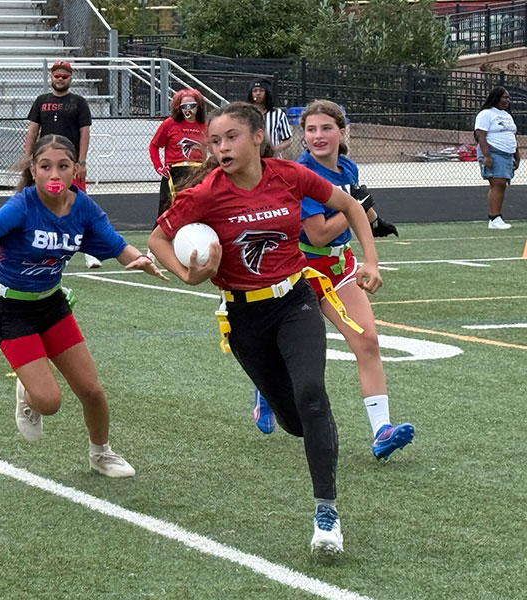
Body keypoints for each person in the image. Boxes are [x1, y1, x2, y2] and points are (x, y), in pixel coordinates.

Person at [148, 101, 383, 554]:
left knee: (312, 394)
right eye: (214, 141)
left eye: (231, 137)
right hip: (244, 318)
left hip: (296, 301)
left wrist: (370, 261)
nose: (221, 148)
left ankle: (327, 514)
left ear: (258, 137)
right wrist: (188, 275)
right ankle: (293, 412)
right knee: (296, 421)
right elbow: (158, 239)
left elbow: (350, 206)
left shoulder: (290, 176)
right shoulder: (205, 194)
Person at [0, 134, 167, 477]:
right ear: (33, 169)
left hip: (51, 304)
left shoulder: (83, 207)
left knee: (91, 389)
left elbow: (116, 245)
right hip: (10, 309)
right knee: (49, 402)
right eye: (45, 166)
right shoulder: (21, 206)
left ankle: (101, 454)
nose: (54, 174)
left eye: (63, 166)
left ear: (76, 170)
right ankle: (29, 393)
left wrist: (140, 260)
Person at [251, 100, 413, 461]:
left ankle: (382, 431)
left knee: (367, 341)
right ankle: (266, 389)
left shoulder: (347, 166)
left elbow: (356, 205)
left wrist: (372, 223)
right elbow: (319, 233)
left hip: (340, 268)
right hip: (302, 272)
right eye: (311, 129)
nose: (318, 135)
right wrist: (356, 205)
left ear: (342, 132)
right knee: (292, 354)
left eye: (326, 128)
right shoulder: (301, 173)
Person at [25, 60, 101, 269]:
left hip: (70, 165)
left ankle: (90, 252)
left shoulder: (79, 102)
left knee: (80, 205)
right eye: (56, 75)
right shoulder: (41, 101)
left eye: (64, 76)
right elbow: (32, 131)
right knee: (40, 206)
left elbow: (85, 133)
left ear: (70, 78)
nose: (60, 79)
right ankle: (44, 251)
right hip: (45, 165)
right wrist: (28, 158)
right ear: (51, 77)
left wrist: (81, 161)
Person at [149, 88, 208, 218]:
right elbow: (154, 146)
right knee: (167, 212)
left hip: (198, 172)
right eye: (184, 106)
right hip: (174, 173)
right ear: (178, 107)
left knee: (198, 210)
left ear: (198, 106)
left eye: (192, 106)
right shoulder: (169, 124)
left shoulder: (206, 125)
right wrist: (159, 167)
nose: (188, 109)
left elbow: (215, 147)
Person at [475, 86, 520, 230]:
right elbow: (481, 135)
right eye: (505, 97)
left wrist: (516, 155)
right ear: (496, 98)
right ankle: (494, 218)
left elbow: (511, 135)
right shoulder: (486, 114)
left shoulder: (507, 115)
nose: (508, 100)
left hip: (507, 153)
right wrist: (487, 156)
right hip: (494, 151)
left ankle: (497, 217)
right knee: (497, 184)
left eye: (508, 98)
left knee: (502, 184)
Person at [246, 79, 292, 158]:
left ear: (267, 93)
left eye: (261, 90)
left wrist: (275, 150)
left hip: (273, 159)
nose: (258, 93)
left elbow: (288, 140)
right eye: (255, 91)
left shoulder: (278, 114)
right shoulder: (246, 114)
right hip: (250, 158)